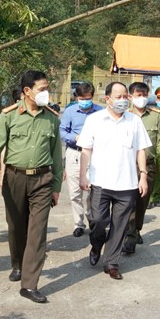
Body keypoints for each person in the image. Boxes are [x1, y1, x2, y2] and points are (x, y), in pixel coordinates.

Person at [0, 70, 62, 304]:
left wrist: (56, 185)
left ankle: (29, 284)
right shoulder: (8, 116)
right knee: (16, 226)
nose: (46, 93)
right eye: (41, 89)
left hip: (42, 180)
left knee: (37, 232)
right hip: (14, 178)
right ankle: (17, 264)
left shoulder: (51, 118)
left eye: (47, 88)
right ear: (27, 91)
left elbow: (57, 155)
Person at [78, 82, 151, 280]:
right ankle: (96, 245)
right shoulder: (95, 120)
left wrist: (143, 175)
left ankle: (111, 262)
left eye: (125, 96)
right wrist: (83, 175)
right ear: (107, 99)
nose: (123, 100)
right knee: (98, 221)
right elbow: (86, 149)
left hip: (127, 184)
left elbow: (140, 150)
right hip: (100, 182)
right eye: (118, 97)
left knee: (120, 225)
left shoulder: (134, 121)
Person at [122, 83, 160, 254]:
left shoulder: (155, 116)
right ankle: (130, 237)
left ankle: (136, 229)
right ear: (130, 96)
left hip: (148, 166)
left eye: (144, 94)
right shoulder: (125, 115)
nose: (141, 97)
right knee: (129, 203)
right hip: (128, 165)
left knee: (142, 202)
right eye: (138, 94)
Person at [59, 82, 103, 237]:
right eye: (83, 98)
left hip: (94, 154)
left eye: (89, 98)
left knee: (94, 190)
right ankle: (78, 223)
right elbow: (62, 132)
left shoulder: (100, 112)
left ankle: (93, 219)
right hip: (74, 153)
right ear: (77, 97)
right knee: (75, 191)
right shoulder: (70, 112)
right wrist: (76, 137)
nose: (86, 101)